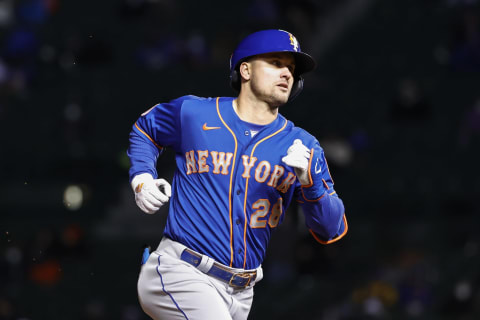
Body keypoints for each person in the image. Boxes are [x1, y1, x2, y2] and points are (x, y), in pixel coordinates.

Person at [127, 29, 348, 320]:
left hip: (242, 293)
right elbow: (146, 128)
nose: (286, 73)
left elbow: (331, 229)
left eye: (291, 69)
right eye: (275, 63)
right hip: (181, 271)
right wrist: (141, 177)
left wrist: (310, 184)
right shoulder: (195, 114)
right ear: (245, 69)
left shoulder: (303, 146)